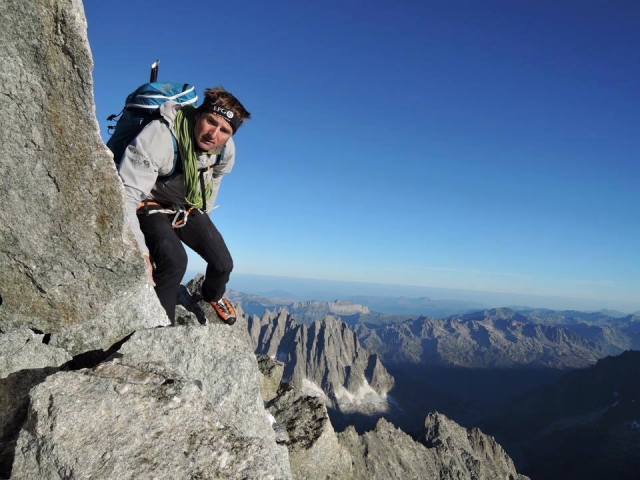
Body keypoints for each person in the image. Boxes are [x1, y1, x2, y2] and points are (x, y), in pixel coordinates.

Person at [117, 86, 250, 325]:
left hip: (186, 204)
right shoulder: (160, 137)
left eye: (224, 130)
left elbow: (216, 176)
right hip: (148, 203)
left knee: (222, 264)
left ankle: (212, 296)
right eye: (211, 121)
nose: (213, 134)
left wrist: (204, 212)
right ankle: (160, 328)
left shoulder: (224, 149)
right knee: (174, 262)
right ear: (198, 115)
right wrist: (141, 252)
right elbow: (127, 194)